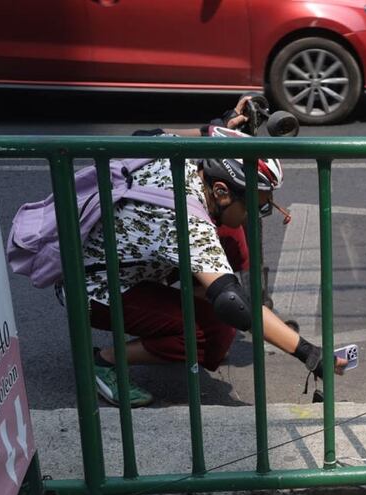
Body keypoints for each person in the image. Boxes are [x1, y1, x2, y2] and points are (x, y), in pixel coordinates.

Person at [86, 127, 344, 407]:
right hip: (95, 288)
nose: (256, 216)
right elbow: (232, 302)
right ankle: (104, 361)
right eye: (252, 208)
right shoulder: (187, 223)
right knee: (208, 334)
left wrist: (212, 128)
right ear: (221, 191)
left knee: (230, 246)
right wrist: (309, 353)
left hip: (122, 259)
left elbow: (148, 134)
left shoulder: (182, 158)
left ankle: (177, 323)